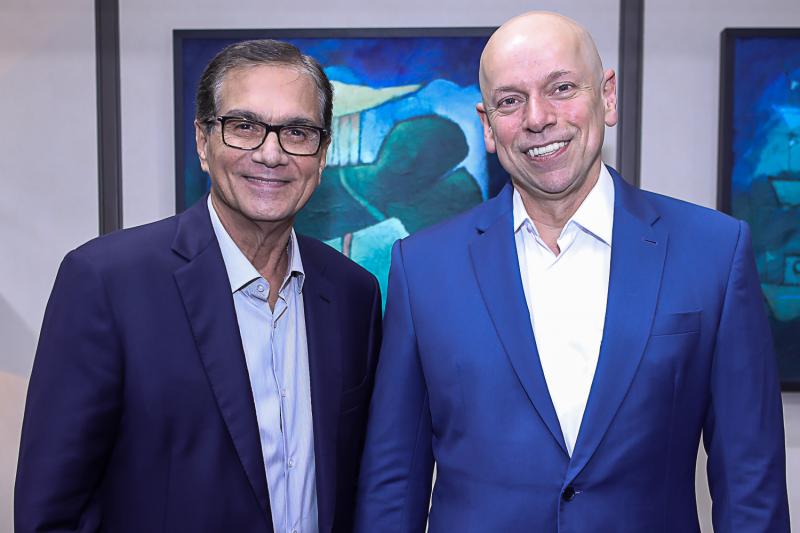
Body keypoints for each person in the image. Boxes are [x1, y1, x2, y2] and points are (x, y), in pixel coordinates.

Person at [354, 11, 789, 533]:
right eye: (510, 101)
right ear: (488, 125)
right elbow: (394, 481)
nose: (537, 118)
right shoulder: (423, 267)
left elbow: (750, 481)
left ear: (607, 96)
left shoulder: (713, 252)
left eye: (561, 88)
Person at [15, 39, 381, 533]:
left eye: (297, 132)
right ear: (203, 142)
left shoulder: (354, 294)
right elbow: (51, 512)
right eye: (244, 126)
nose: (271, 153)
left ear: (322, 154)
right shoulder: (106, 283)